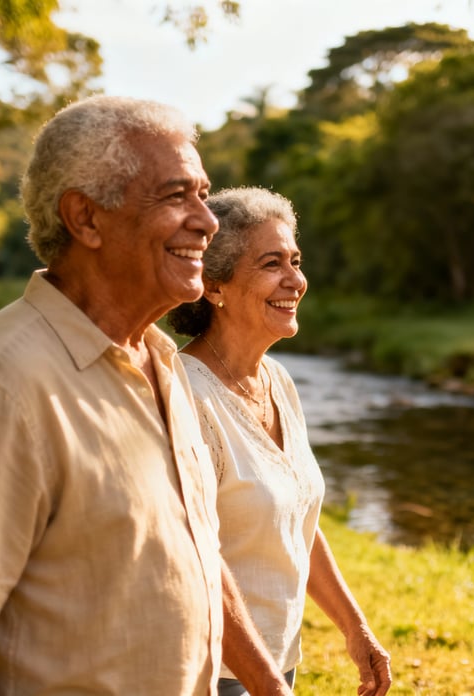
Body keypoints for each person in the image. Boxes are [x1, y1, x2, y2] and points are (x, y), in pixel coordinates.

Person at [0, 96, 292, 696]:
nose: (208, 221)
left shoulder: (162, 364)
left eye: (203, 193)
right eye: (175, 195)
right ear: (85, 219)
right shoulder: (1, 384)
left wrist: (267, 682)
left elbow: (197, 550)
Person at [168, 186, 393, 696]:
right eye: (272, 264)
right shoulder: (185, 395)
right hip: (209, 671)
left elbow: (297, 522)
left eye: (296, 260)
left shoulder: (279, 381)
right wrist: (265, 685)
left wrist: (355, 630)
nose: (296, 280)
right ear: (215, 287)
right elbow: (193, 561)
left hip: (276, 660)